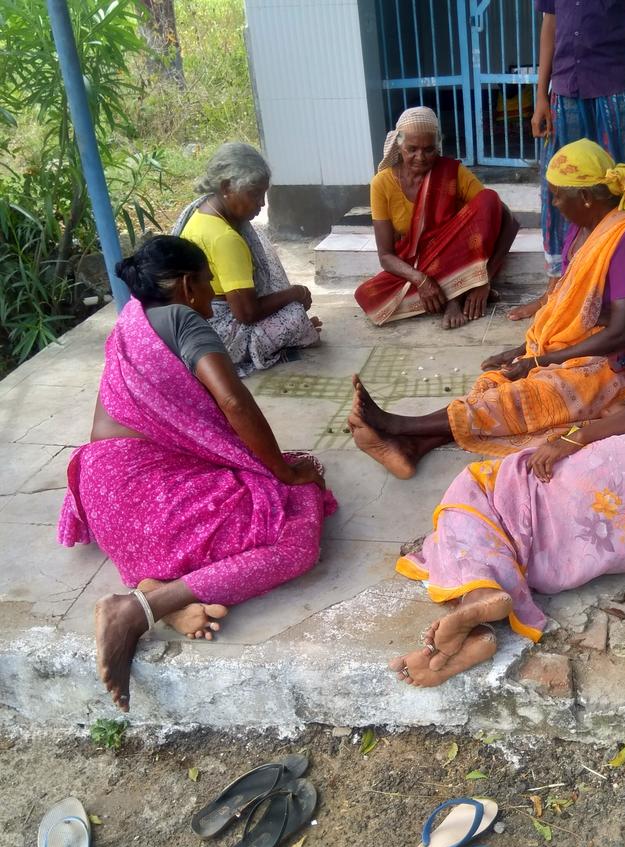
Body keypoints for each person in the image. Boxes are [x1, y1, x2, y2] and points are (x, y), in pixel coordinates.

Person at [57, 237, 338, 712]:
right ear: (188, 285)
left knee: (269, 471)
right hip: (149, 508)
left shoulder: (130, 320)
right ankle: (140, 609)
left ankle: (157, 588)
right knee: (296, 521)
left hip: (105, 504)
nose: (215, 293)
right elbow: (233, 402)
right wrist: (285, 473)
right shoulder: (184, 320)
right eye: (209, 282)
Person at [389, 346, 625, 687]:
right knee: (526, 529)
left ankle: (481, 594)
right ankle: (479, 631)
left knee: (479, 486)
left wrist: (571, 439)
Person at [348, 140, 625, 479]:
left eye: (558, 196)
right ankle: (413, 447)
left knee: (531, 395)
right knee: (496, 384)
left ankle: (397, 426)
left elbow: (623, 332)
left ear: (586, 197)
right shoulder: (584, 227)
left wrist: (541, 361)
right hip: (582, 343)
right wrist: (523, 351)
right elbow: (564, 301)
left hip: (624, 360)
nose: (555, 204)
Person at [508, 0, 625, 322]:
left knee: (622, 191)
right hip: (566, 94)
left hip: (620, 93)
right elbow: (550, 24)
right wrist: (540, 97)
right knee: (563, 194)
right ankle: (557, 289)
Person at [354, 106, 520, 330]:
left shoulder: (451, 172)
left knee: (489, 198)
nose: (420, 157)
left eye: (429, 150)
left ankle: (455, 299)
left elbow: (507, 219)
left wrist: (486, 279)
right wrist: (421, 280)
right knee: (367, 295)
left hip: (456, 257)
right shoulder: (381, 184)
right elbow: (385, 256)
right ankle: (459, 289)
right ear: (399, 145)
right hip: (418, 265)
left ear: (438, 146)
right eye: (412, 149)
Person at [173, 142, 320, 374]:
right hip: (215, 335)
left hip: (191, 325)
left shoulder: (202, 211)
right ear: (226, 187)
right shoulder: (225, 238)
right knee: (294, 316)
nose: (261, 203)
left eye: (263, 194)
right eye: (254, 194)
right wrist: (296, 293)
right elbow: (247, 313)